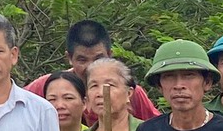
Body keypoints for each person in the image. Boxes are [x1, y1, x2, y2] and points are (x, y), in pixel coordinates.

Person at [26, 19, 161, 124]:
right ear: (69, 58)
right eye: (82, 60)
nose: (92, 68)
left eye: (98, 58)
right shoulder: (47, 86)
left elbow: (156, 130)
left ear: (110, 55)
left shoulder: (128, 92)